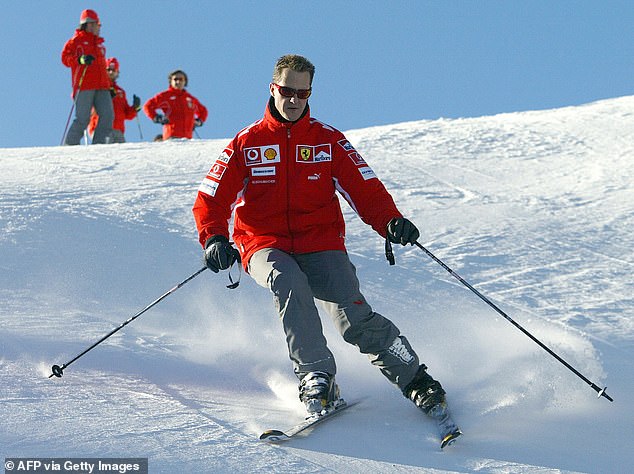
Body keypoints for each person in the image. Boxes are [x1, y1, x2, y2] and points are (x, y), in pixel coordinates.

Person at [192, 54, 458, 429]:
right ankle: (317, 377)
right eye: (287, 91)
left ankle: (417, 380)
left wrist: (391, 221)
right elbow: (211, 198)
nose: (294, 100)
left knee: (354, 320)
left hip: (320, 242)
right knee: (287, 281)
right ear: (273, 89)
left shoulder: (327, 141)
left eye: (302, 93)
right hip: (262, 242)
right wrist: (215, 238)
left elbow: (365, 188)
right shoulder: (247, 143)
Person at [61, 9, 114, 145]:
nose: (99, 28)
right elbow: (65, 58)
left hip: (102, 86)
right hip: (84, 85)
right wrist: (80, 60)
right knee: (83, 119)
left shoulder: (99, 44)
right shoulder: (76, 41)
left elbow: (102, 67)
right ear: (89, 24)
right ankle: (70, 144)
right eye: (98, 24)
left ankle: (99, 144)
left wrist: (109, 86)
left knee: (108, 115)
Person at [87, 57, 141, 143]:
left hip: (118, 130)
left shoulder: (121, 92)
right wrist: (106, 99)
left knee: (122, 155)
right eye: (108, 69)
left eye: (114, 70)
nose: (111, 72)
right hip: (100, 129)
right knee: (104, 153)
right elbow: (90, 110)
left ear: (117, 72)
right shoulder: (97, 87)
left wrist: (135, 107)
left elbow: (127, 114)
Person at [143, 70, 208, 140]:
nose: (178, 82)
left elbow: (203, 111)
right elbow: (148, 106)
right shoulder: (165, 96)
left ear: (185, 81)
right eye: (175, 79)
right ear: (171, 81)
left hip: (188, 138)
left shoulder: (190, 99)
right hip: (171, 136)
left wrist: (199, 121)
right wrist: (156, 117)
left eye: (181, 79)